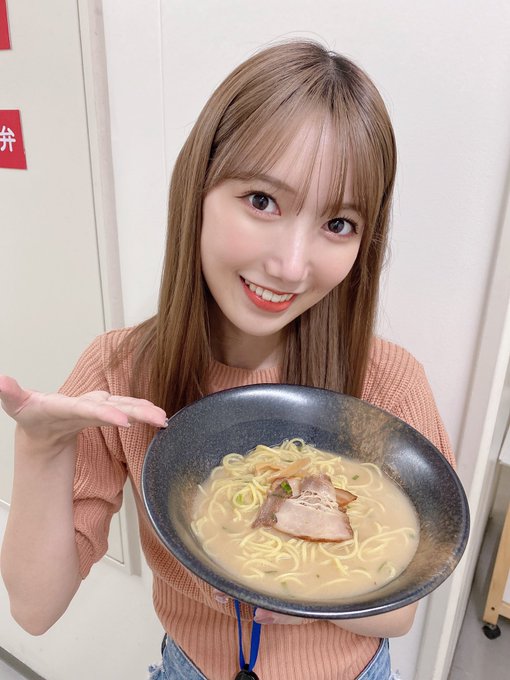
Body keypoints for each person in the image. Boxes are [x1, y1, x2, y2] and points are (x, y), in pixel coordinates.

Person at [0, 39, 455, 679]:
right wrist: (40, 449)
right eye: (262, 200)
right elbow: (34, 609)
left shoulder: (389, 381)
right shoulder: (119, 374)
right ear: (199, 188)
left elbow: (400, 611)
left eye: (338, 224)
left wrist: (297, 594)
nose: (291, 266)